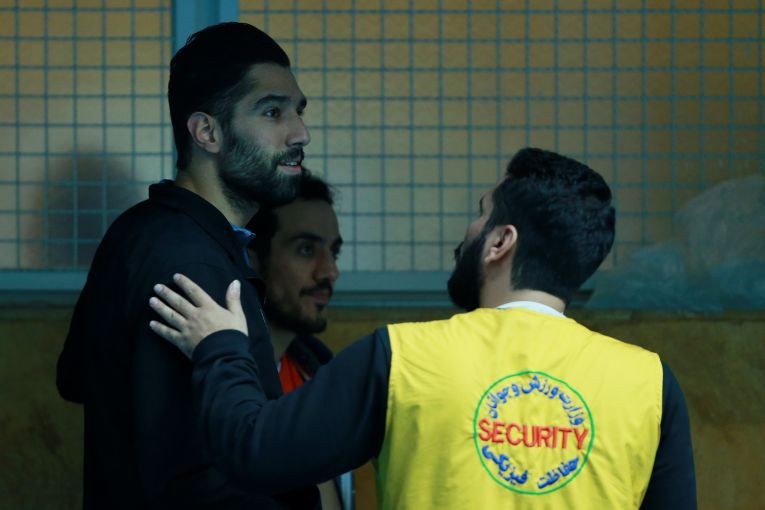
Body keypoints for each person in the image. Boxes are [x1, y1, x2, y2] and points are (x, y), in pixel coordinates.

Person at [148, 148, 697, 509]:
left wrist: (221, 343)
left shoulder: (402, 357)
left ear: (500, 242)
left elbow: (253, 451)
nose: (469, 230)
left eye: (481, 213)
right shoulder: (650, 384)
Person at [56, 22, 320, 509]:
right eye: (272, 111)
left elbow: (75, 377)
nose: (300, 132)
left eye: (298, 111)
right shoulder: (192, 264)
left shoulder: (142, 230)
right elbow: (195, 481)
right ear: (207, 132)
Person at [246, 174, 352, 509]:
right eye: (306, 250)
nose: (329, 271)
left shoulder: (318, 376)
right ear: (253, 258)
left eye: (333, 252)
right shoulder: (225, 384)